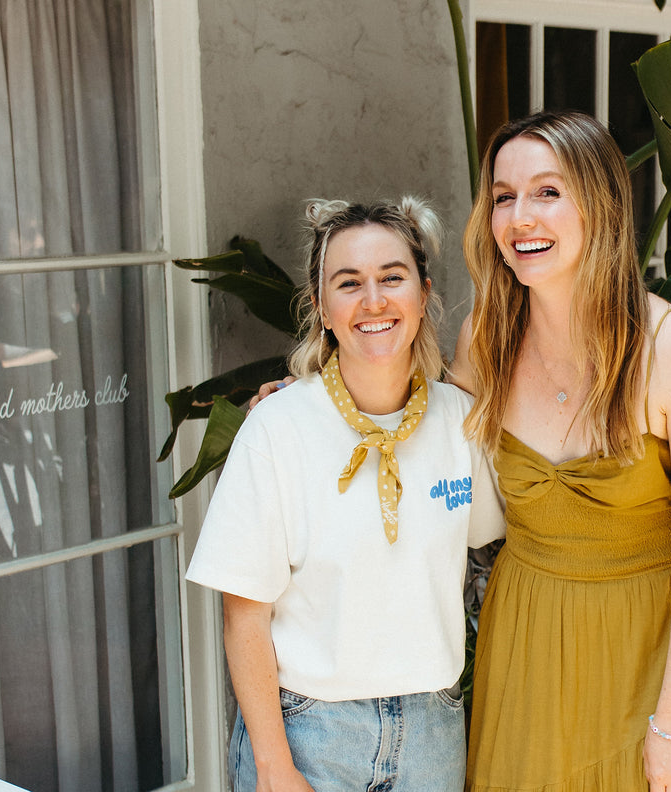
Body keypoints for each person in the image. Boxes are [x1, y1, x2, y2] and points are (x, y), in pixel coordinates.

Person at [448, 111, 671, 792]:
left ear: (600, 206)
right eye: (503, 197)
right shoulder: (482, 339)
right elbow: (410, 434)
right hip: (525, 646)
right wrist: (306, 402)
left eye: (547, 193)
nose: (520, 217)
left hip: (650, 658)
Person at [186, 197, 505, 792]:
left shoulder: (460, 423)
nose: (374, 300)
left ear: (423, 294)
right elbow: (244, 619)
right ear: (321, 308)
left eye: (392, 278)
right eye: (349, 283)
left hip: (434, 733)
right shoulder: (276, 428)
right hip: (310, 732)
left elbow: (496, 556)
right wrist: (275, 767)